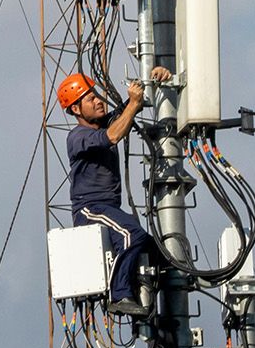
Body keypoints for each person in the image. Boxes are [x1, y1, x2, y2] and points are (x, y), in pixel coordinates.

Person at [59, 65, 172, 315]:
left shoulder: (103, 124)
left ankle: (155, 297)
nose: (98, 101)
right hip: (90, 209)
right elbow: (113, 135)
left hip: (109, 208)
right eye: (90, 99)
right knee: (133, 235)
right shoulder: (78, 137)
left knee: (156, 252)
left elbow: (130, 111)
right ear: (76, 110)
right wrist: (132, 104)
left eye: (96, 96)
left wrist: (156, 77)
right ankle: (120, 296)